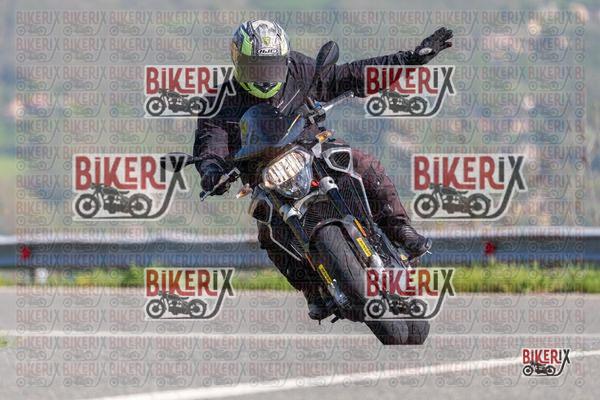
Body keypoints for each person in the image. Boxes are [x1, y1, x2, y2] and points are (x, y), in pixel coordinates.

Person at [194, 20, 453, 319]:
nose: (265, 74)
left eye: (271, 66)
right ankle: (312, 289)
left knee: (363, 164)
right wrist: (212, 172)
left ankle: (400, 228)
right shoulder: (221, 101)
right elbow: (210, 144)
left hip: (312, 148)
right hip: (266, 176)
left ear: (284, 60)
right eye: (256, 67)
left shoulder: (299, 69)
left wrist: (410, 59)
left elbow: (350, 75)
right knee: (267, 232)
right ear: (239, 63)